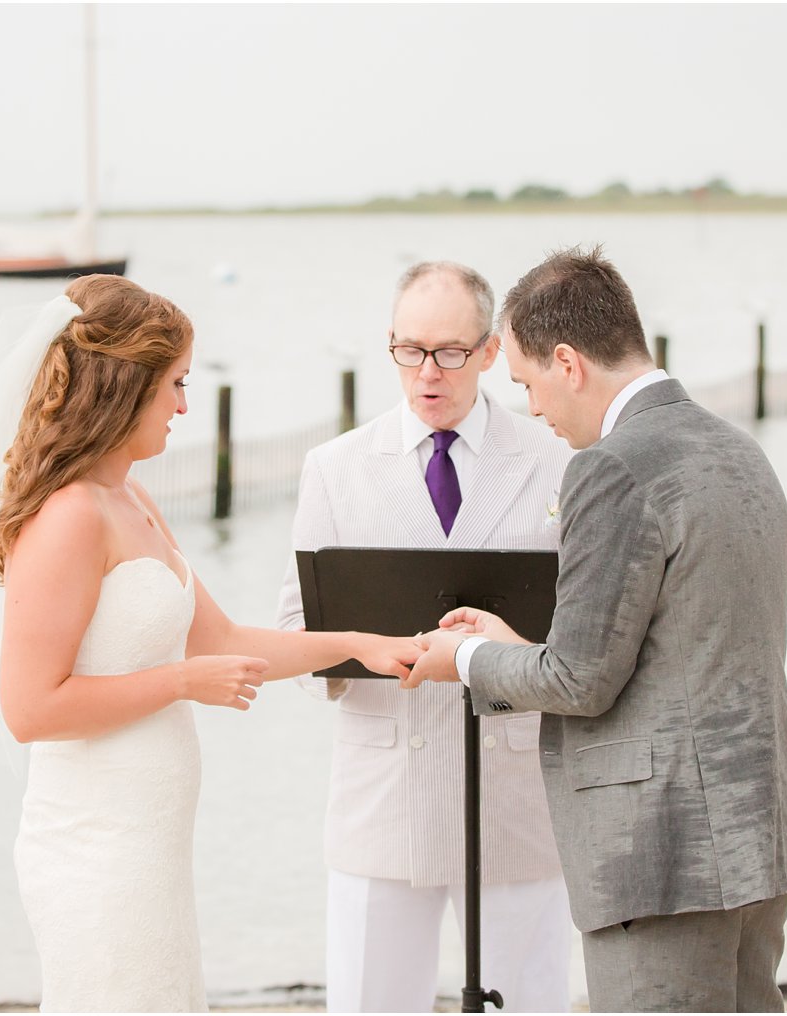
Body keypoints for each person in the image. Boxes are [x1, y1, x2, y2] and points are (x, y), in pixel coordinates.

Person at [0, 276, 419, 1014]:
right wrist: (180, 682)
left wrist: (365, 644)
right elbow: (29, 708)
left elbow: (224, 640)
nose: (186, 405)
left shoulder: (132, 499)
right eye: (176, 384)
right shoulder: (69, 518)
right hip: (94, 852)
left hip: (150, 848)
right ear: (126, 385)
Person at [403, 247, 787, 1012]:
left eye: (527, 383)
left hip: (661, 853)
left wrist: (464, 659)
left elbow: (581, 681)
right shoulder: (739, 449)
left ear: (567, 362)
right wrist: (510, 648)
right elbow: (674, 655)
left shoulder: (611, 467)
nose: (533, 409)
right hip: (756, 831)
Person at [276, 262, 574, 1013]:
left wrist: (496, 651)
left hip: (514, 797)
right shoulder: (335, 468)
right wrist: (373, 649)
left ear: (489, 351)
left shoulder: (557, 461)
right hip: (384, 798)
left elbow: (584, 632)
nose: (426, 372)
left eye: (448, 352)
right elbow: (293, 628)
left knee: (528, 1003)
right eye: (409, 351)